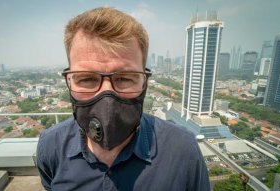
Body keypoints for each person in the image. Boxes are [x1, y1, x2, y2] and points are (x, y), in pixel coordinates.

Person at [36, 7, 210, 191]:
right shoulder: (51, 146)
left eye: (125, 78)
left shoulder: (183, 150)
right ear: (69, 81)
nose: (106, 95)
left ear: (144, 82)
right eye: (86, 79)